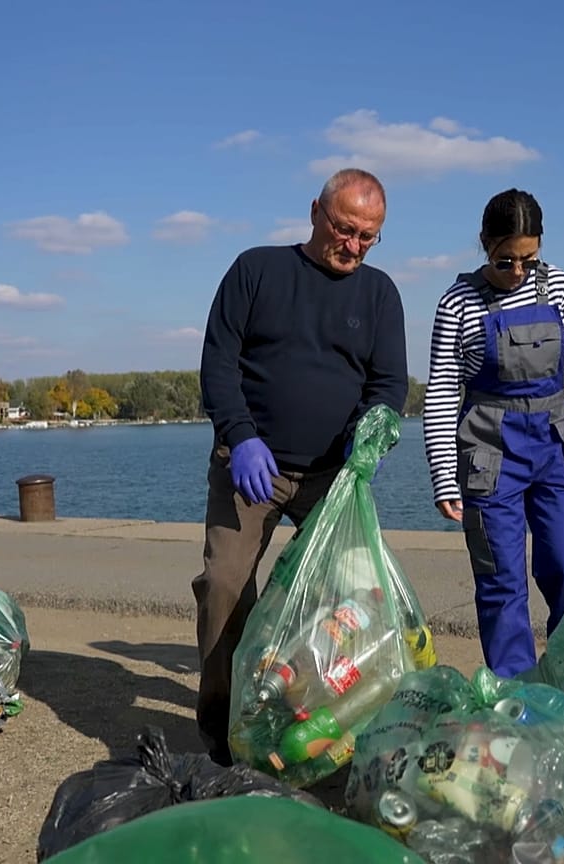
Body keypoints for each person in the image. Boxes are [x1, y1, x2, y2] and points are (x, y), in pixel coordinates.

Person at [193, 168, 408, 764]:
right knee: (223, 587)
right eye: (345, 229)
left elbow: (389, 386)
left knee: (355, 599)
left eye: (368, 236)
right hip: (251, 468)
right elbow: (218, 363)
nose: (354, 246)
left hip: (335, 477)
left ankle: (327, 726)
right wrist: (240, 437)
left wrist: (372, 433)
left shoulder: (380, 294)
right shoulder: (256, 270)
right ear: (316, 212)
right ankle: (223, 736)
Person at [422, 188, 564, 678]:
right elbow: (443, 392)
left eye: (529, 259)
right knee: (501, 579)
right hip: (490, 449)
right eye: (506, 261)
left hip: (555, 443)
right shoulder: (457, 303)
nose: (518, 271)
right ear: (484, 244)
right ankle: (514, 690)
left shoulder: (556, 285)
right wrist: (443, 474)